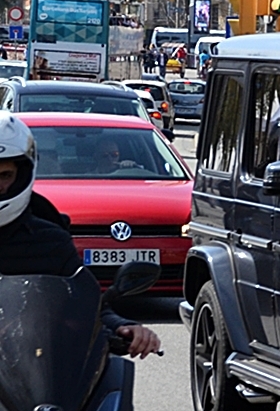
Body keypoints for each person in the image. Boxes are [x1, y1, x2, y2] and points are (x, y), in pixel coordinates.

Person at [0, 113, 160, 358]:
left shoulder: (49, 241)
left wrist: (121, 326)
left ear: (22, 174)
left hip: (28, 373)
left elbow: (83, 304)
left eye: (5, 175)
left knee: (112, 381)